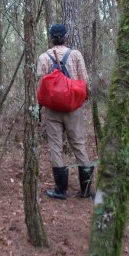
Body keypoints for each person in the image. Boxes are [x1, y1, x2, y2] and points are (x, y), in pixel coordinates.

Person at [36, 23, 94, 200]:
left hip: (52, 110)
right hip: (73, 108)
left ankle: (61, 190)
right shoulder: (76, 55)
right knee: (79, 145)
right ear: (66, 37)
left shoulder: (43, 58)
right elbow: (84, 82)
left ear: (51, 38)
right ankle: (85, 190)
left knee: (55, 148)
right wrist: (82, 100)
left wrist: (39, 108)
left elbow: (40, 86)